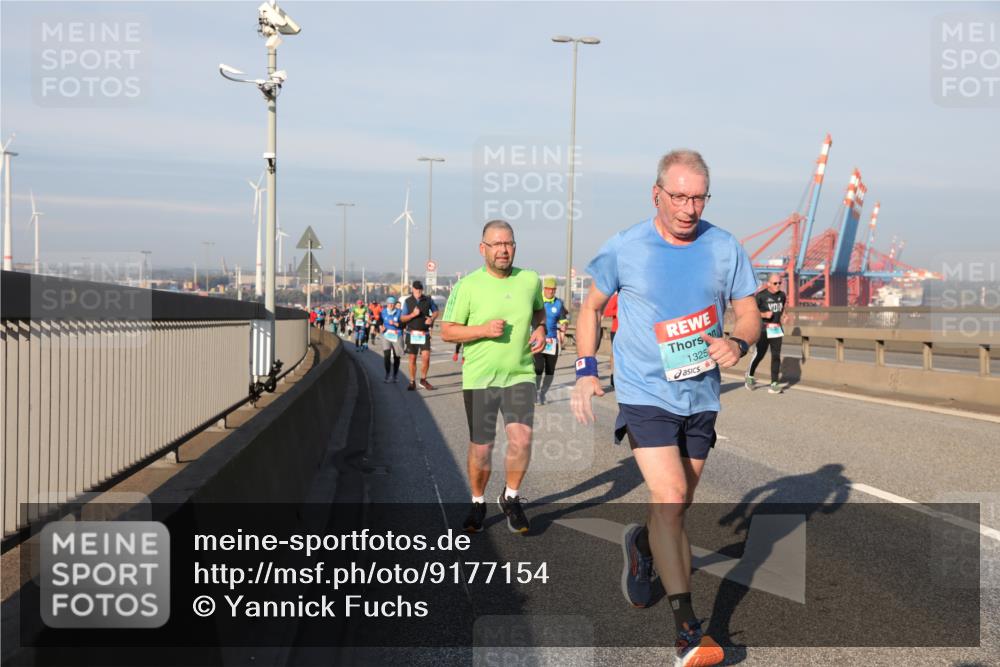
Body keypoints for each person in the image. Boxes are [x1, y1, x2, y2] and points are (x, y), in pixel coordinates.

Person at [570, 150, 759, 667]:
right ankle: (687, 634)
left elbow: (749, 313)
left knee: (677, 504)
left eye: (699, 197)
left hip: (700, 395)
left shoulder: (724, 247)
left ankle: (643, 547)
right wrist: (587, 371)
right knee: (671, 497)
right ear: (656, 194)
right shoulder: (626, 248)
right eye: (679, 196)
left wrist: (738, 343)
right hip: (643, 392)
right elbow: (588, 307)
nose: (689, 207)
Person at [441, 220, 546, 535]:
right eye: (496, 244)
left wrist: (540, 328)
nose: (503, 250)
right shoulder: (468, 286)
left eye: (509, 243)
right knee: (482, 448)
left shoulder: (530, 280)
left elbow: (539, 311)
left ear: (515, 246)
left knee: (522, 439)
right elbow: (448, 331)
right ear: (482, 248)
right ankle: (477, 501)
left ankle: (511, 497)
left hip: (520, 374)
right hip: (481, 378)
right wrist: (482, 331)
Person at [745, 273, 788, 394]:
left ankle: (774, 383)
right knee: (760, 354)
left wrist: (784, 315)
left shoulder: (782, 295)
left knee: (776, 356)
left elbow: (783, 307)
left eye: (780, 283)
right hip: (763, 329)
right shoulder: (761, 296)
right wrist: (763, 315)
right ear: (768, 284)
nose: (778, 285)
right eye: (775, 283)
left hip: (776, 329)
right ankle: (750, 375)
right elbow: (751, 312)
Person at [532, 276, 569, 405]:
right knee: (538, 368)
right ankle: (535, 392)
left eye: (553, 289)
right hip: (538, 340)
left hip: (552, 342)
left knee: (550, 370)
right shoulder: (537, 302)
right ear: (544, 289)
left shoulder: (558, 303)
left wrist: (564, 324)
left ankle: (543, 393)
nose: (551, 292)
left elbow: (563, 318)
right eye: (548, 289)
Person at [401, 280, 439, 391]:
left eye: (420, 289)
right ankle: (412, 381)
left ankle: (423, 380)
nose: (418, 291)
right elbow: (402, 318)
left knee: (426, 357)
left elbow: (436, 311)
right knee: (412, 358)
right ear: (412, 289)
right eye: (416, 289)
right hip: (411, 333)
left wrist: (431, 318)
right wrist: (413, 314)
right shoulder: (408, 301)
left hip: (424, 333)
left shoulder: (428, 299)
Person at [380, 296, 404, 383]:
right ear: (387, 304)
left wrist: (394, 323)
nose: (391, 305)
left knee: (397, 356)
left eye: (392, 304)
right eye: (389, 304)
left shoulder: (400, 312)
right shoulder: (383, 312)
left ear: (394, 304)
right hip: (386, 334)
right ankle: (387, 374)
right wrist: (381, 327)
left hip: (397, 335)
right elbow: (379, 321)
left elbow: (403, 325)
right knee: (386, 355)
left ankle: (395, 375)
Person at [603, 291, 619, 389]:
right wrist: (618, 312)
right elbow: (607, 312)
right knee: (615, 355)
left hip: (630, 331)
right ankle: (613, 377)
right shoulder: (616, 297)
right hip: (616, 330)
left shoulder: (634, 298)